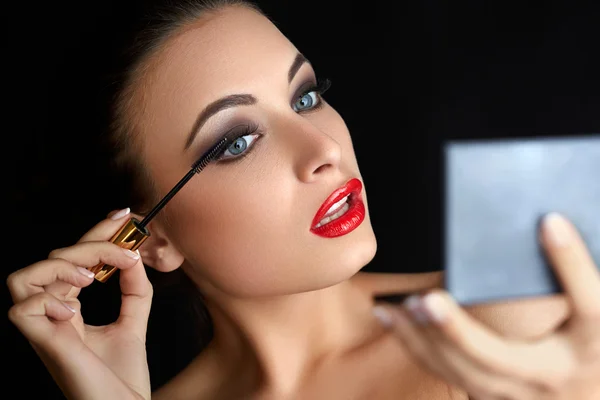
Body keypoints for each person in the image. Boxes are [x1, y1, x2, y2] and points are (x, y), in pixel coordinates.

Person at [7, 0, 600, 398]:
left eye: (306, 97)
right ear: (150, 237)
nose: (323, 148)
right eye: (237, 141)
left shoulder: (511, 323)